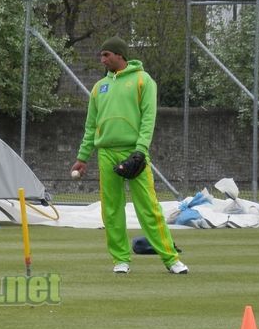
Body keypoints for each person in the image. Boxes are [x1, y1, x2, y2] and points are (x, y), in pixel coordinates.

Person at [71, 37, 188, 275]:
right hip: (106, 153)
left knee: (148, 207)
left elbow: (148, 119)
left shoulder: (143, 81)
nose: (102, 60)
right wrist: (82, 157)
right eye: (101, 55)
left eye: (106, 55)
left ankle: (171, 258)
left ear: (119, 55)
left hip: (134, 153)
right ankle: (120, 259)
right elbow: (91, 125)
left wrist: (141, 150)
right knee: (111, 209)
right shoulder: (98, 88)